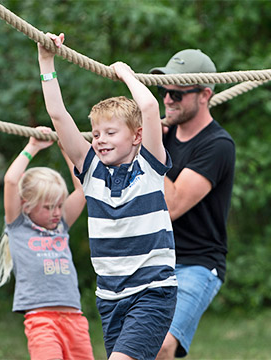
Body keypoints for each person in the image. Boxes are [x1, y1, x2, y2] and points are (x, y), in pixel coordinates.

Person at [40, 33, 176, 360]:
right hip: (110, 298)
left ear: (136, 136)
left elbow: (147, 106)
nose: (100, 140)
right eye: (97, 133)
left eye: (111, 133)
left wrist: (126, 74)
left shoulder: (149, 165)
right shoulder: (91, 172)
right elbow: (59, 116)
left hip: (152, 293)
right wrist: (46, 62)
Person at [145, 50, 235, 360]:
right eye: (163, 91)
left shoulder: (218, 145)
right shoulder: (163, 136)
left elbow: (172, 205)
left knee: (161, 346)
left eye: (177, 93)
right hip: (154, 258)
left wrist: (151, 145)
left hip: (197, 263)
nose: (167, 99)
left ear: (204, 95)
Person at [0, 126, 92, 360]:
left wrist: (68, 149)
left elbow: (83, 189)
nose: (56, 212)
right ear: (26, 205)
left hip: (75, 319)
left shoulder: (61, 224)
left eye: (59, 205)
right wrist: (32, 147)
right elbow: (10, 180)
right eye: (48, 207)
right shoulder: (18, 226)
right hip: (42, 320)